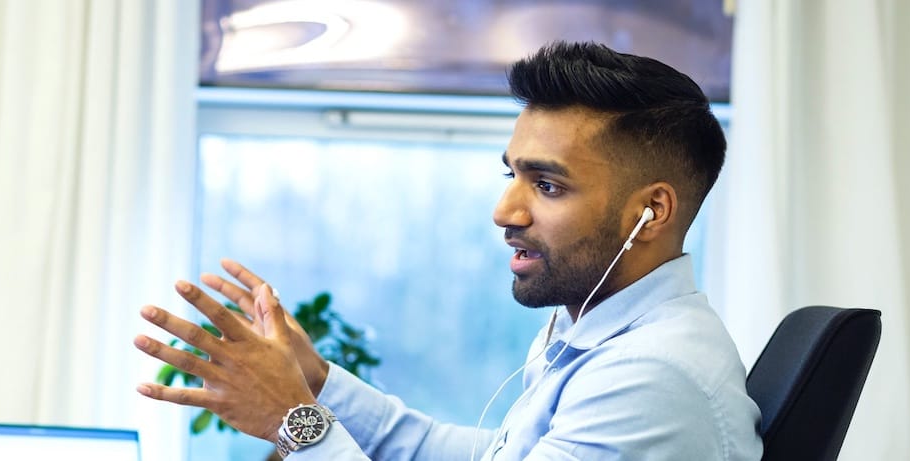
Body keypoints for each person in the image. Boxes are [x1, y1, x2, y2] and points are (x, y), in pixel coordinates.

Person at [133, 41, 763, 460]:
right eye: (511, 175)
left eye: (547, 185)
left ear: (650, 212)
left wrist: (293, 420)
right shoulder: (599, 328)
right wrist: (317, 383)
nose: (506, 212)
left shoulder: (650, 376)